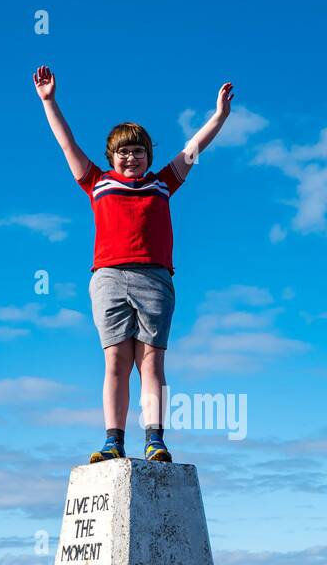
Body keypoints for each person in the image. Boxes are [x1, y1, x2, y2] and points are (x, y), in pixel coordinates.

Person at [32, 64, 233, 462]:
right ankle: (113, 442)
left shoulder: (163, 182)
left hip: (155, 279)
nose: (131, 158)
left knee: (151, 362)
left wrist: (220, 116)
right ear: (112, 156)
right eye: (123, 152)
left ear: (148, 156)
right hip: (108, 278)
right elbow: (66, 143)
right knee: (115, 362)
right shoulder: (97, 182)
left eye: (138, 151)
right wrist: (49, 102)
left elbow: (194, 147)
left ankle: (155, 440)